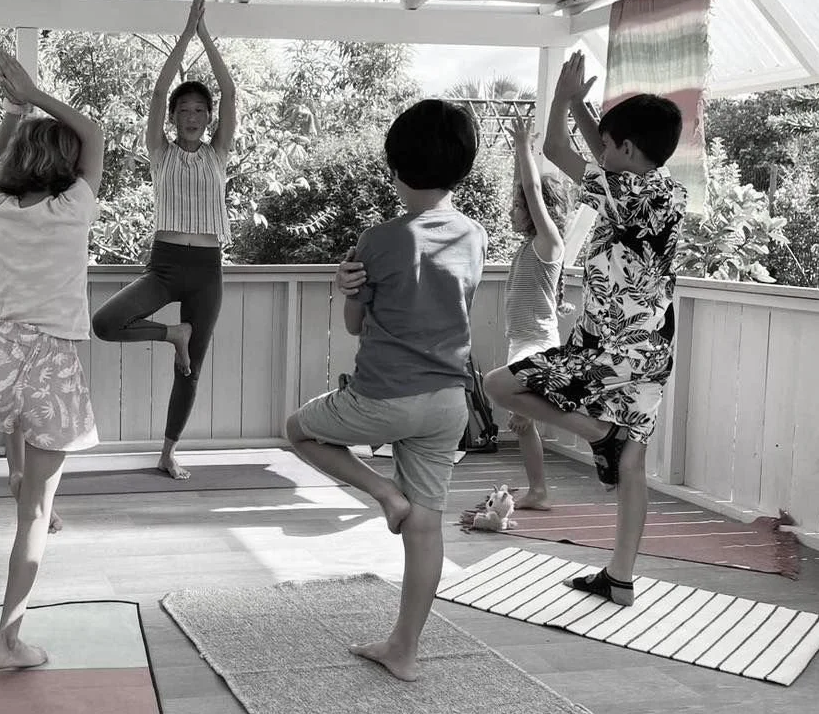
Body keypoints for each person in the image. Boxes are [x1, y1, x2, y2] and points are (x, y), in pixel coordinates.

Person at [286, 99, 486, 682]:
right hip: (449, 403)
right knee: (428, 527)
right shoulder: (473, 237)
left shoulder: (376, 240)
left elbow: (354, 325)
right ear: (463, 169)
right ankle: (404, 651)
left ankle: (382, 494)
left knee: (298, 429)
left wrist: (349, 289)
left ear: (394, 166)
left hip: (380, 399)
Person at [484, 52, 686, 607]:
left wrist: (561, 101)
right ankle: (620, 578)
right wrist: (581, 106)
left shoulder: (626, 193)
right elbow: (608, 149)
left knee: (498, 386)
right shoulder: (662, 187)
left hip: (608, 348)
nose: (604, 151)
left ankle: (600, 434)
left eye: (611, 145)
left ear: (624, 151)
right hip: (651, 349)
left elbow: (555, 150)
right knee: (633, 464)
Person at [0, 48, 104, 670]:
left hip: (0, 357)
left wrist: (13, 108)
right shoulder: (73, 208)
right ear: (67, 164)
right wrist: (35, 93)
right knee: (35, 515)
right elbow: (95, 132)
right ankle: (8, 640)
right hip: (50, 363)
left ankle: (18, 472)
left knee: (18, 436)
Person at [91, 0, 236, 479]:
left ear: (209, 118)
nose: (192, 117)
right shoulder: (161, 153)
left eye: (200, 110)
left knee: (191, 366)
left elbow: (230, 92)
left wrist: (205, 36)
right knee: (107, 323)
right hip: (166, 265)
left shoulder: (218, 154)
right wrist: (184, 35)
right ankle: (171, 333)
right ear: (173, 118)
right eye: (184, 111)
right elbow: (156, 93)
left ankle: (168, 452)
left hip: (208, 271)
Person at [499, 116, 571, 512]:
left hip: (536, 346)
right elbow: (521, 188)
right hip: (522, 342)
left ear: (534, 210)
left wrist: (525, 145)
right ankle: (538, 489)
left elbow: (530, 187)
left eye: (517, 206)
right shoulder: (530, 244)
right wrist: (517, 152)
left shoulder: (549, 242)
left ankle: (540, 489)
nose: (512, 209)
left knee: (524, 421)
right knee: (522, 424)